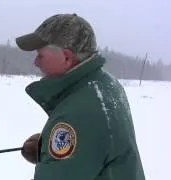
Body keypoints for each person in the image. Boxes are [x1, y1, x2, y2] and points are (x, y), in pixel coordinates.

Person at [15, 13, 146, 180]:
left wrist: (59, 156)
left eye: (41, 56)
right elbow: (97, 142)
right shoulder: (104, 83)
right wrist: (50, 149)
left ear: (67, 57)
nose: (36, 63)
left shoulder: (78, 114)